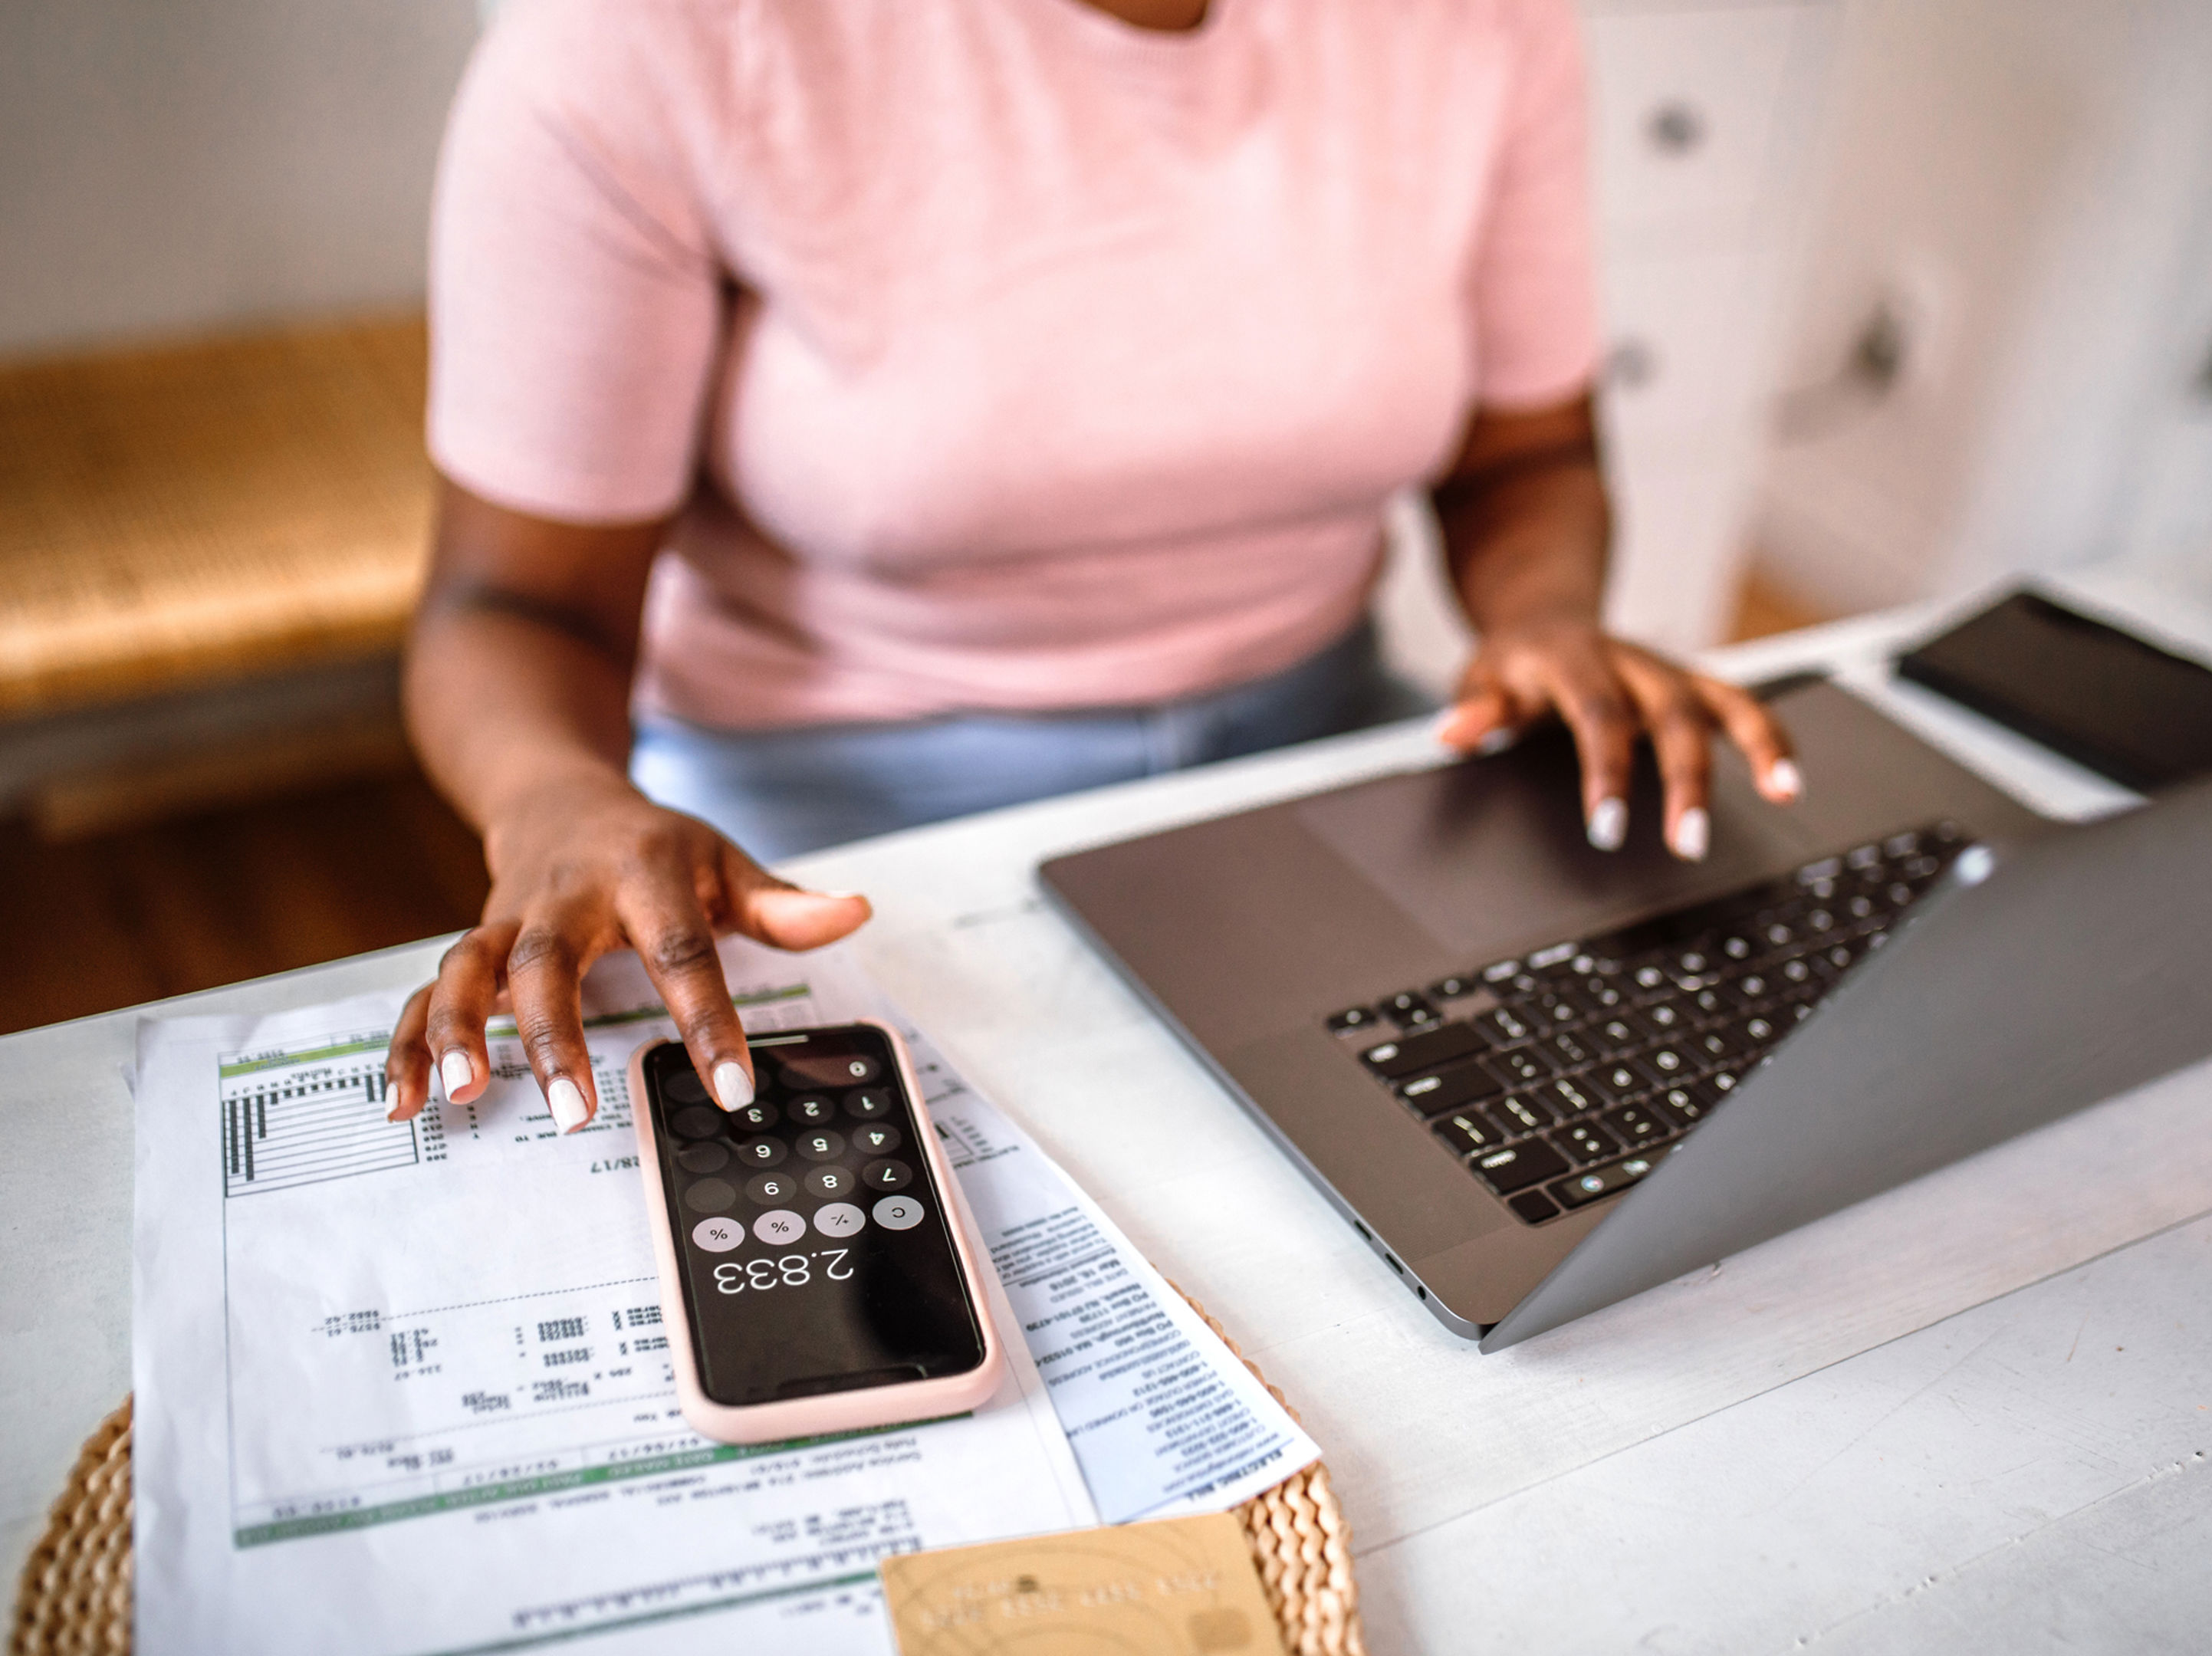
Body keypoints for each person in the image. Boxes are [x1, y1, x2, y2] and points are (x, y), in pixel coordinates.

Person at [381, 0, 1800, 1132]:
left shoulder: (1480, 23)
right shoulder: (643, 44)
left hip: (1307, 751)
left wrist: (1544, 616)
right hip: (815, 828)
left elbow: (1524, 456)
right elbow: (518, 602)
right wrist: (555, 796)